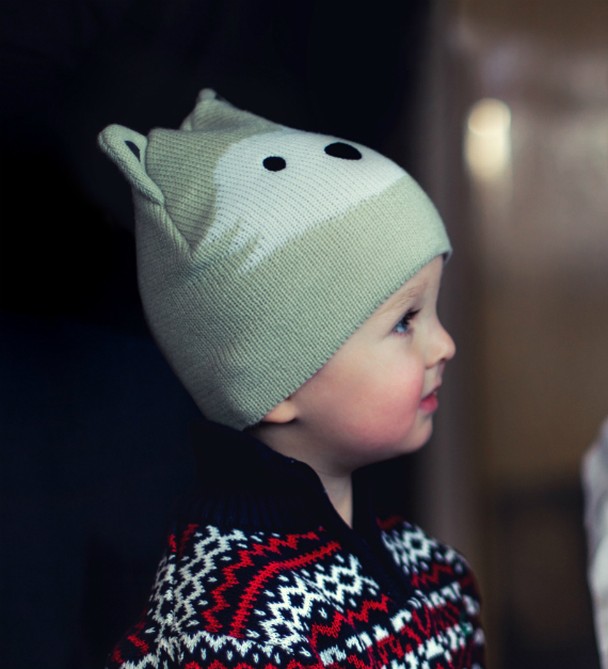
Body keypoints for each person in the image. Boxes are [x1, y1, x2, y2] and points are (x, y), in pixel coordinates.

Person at [96, 89, 484, 668]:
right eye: (405, 321)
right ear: (274, 384)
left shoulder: (436, 572)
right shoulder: (230, 629)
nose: (445, 344)